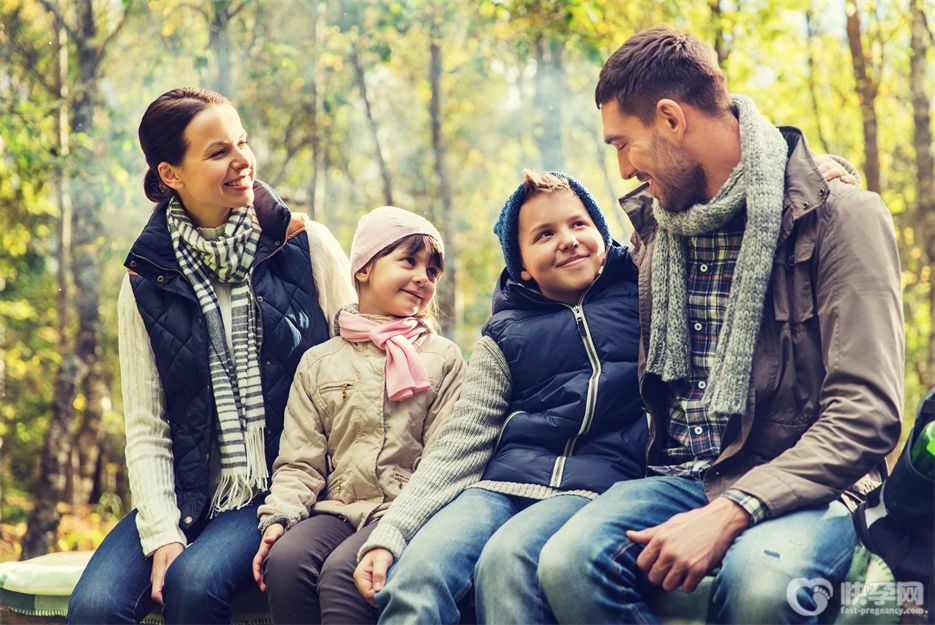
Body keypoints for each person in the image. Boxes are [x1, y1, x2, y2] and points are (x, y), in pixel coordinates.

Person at [538, 27, 904, 624]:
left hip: (805, 482)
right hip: (678, 475)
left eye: (623, 143)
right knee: (567, 562)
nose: (623, 168)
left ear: (671, 119)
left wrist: (735, 508)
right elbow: (569, 283)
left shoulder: (840, 218)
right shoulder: (660, 227)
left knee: (762, 586)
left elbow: (867, 412)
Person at [67, 87, 356, 625]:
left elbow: (359, 366)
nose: (242, 161)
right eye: (218, 151)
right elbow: (147, 426)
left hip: (278, 484)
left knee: (194, 586)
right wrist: (161, 536)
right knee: (95, 607)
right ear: (171, 174)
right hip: (187, 486)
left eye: (242, 142)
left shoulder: (304, 244)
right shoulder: (144, 281)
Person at [353, 170, 648, 624]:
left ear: (603, 235)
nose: (567, 240)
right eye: (545, 234)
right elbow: (461, 443)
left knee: (508, 561)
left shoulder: (641, 296)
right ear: (522, 264)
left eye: (579, 224)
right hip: (498, 487)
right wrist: (392, 532)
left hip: (596, 485)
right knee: (415, 577)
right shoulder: (504, 332)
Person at [252, 206, 465, 625]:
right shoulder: (319, 363)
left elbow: (445, 458)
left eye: (433, 270)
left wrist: (403, 522)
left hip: (403, 510)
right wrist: (279, 518)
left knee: (342, 572)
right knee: (287, 560)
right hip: (339, 508)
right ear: (364, 268)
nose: (424, 277)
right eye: (409, 260)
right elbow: (300, 462)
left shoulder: (441, 358)